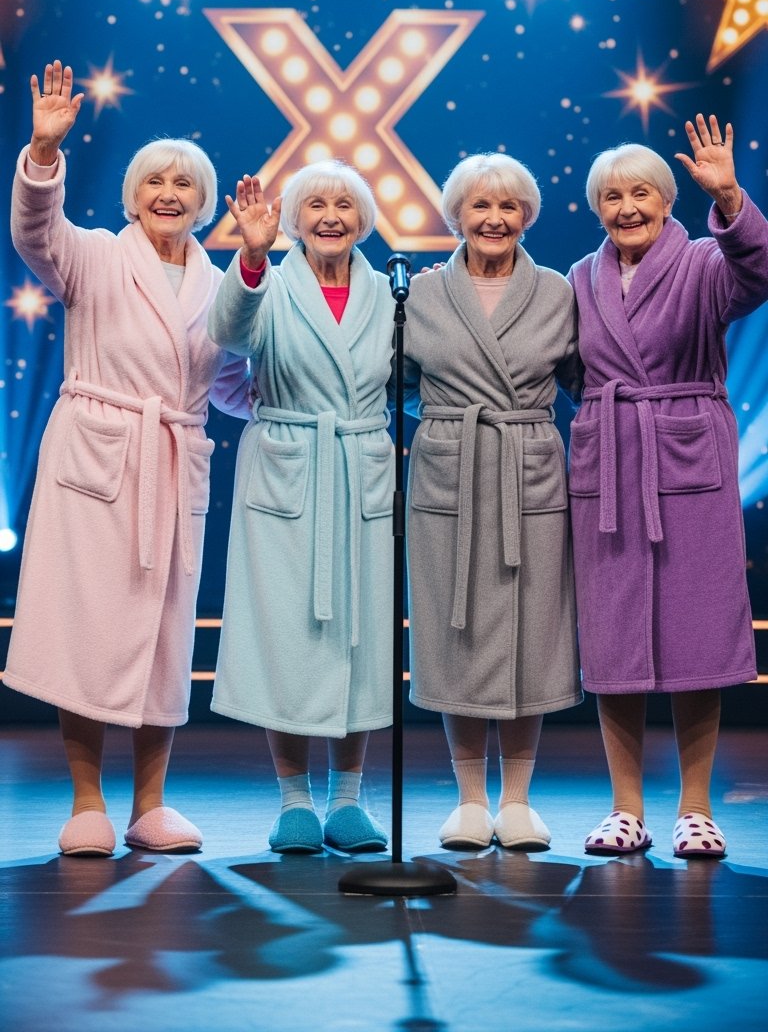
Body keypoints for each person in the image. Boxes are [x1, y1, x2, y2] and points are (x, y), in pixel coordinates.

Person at [4, 60, 251, 857]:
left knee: (164, 636)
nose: (168, 193)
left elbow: (234, 386)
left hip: (173, 462)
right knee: (85, 628)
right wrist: (45, 154)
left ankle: (151, 804)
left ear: (205, 202)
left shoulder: (221, 285)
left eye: (184, 183)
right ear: (131, 194)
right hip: (96, 461)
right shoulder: (94, 256)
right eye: (154, 180)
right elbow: (34, 233)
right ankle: (87, 801)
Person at [569, 114, 768, 859]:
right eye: (612, 196)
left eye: (641, 193)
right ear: (596, 208)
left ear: (666, 199)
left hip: (688, 461)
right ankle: (626, 809)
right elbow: (562, 365)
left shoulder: (705, 263)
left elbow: (759, 272)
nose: (627, 208)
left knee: (696, 633)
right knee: (614, 638)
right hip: (610, 465)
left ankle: (695, 808)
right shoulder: (580, 280)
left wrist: (731, 201)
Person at [207, 161, 395, 853]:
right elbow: (228, 333)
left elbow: (408, 380)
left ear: (363, 219)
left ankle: (347, 799)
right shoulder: (271, 284)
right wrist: (252, 259)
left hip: (360, 469)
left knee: (361, 635)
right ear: (293, 218)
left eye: (345, 203)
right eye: (316, 203)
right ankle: (294, 800)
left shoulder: (388, 293)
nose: (331, 216)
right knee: (286, 635)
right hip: (287, 468)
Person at [403, 153, 582, 851]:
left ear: (527, 216)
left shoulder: (557, 292)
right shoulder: (421, 293)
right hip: (452, 474)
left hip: (527, 473)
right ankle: (470, 800)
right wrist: (449, 430)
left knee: (532, 633)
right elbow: (395, 383)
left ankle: (518, 801)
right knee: (456, 634)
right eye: (480, 205)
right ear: (456, 215)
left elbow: (584, 379)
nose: (494, 219)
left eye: (508, 206)